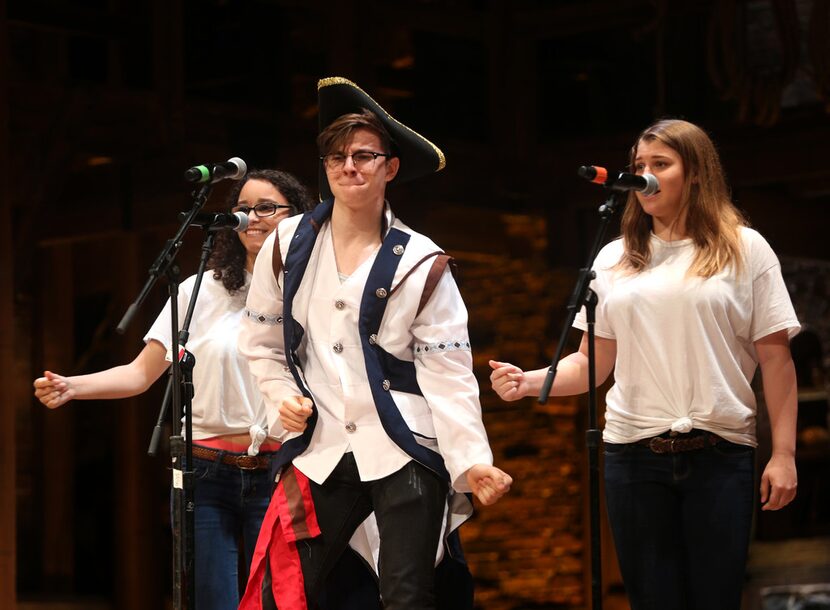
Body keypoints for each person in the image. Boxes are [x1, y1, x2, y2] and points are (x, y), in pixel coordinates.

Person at [490, 118, 800, 610]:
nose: (646, 175)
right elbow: (594, 362)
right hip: (633, 455)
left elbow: (776, 358)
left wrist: (783, 454)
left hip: (719, 453)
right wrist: (531, 382)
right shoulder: (614, 258)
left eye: (660, 164)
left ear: (694, 173)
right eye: (638, 166)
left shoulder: (744, 248)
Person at [237, 76, 512, 610]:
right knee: (286, 590)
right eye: (337, 156)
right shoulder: (287, 245)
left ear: (390, 167)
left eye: (364, 155)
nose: (349, 166)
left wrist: (472, 460)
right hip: (318, 448)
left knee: (407, 595)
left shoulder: (421, 260)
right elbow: (261, 342)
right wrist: (278, 396)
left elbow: (448, 372)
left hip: (403, 447)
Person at [33, 169, 314, 610]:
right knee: (210, 600)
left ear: (296, 216)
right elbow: (141, 373)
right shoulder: (203, 289)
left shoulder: (312, 291)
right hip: (206, 472)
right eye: (242, 209)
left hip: (280, 469)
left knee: (276, 601)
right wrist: (73, 386)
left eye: (266, 208)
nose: (252, 218)